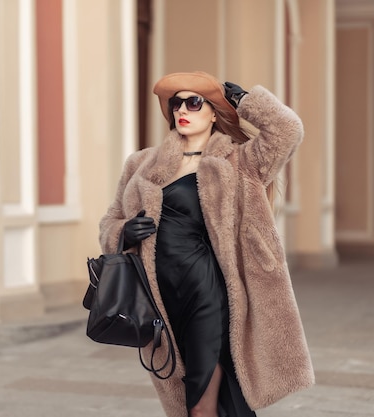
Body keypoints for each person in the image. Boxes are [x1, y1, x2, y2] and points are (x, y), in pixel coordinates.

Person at [98, 71, 314, 417]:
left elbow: (288, 130)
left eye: (194, 102)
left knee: (199, 407)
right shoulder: (141, 164)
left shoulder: (240, 162)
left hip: (208, 292)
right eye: (176, 103)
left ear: (213, 112)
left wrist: (246, 102)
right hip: (163, 297)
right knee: (198, 399)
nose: (183, 109)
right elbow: (110, 220)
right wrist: (122, 233)